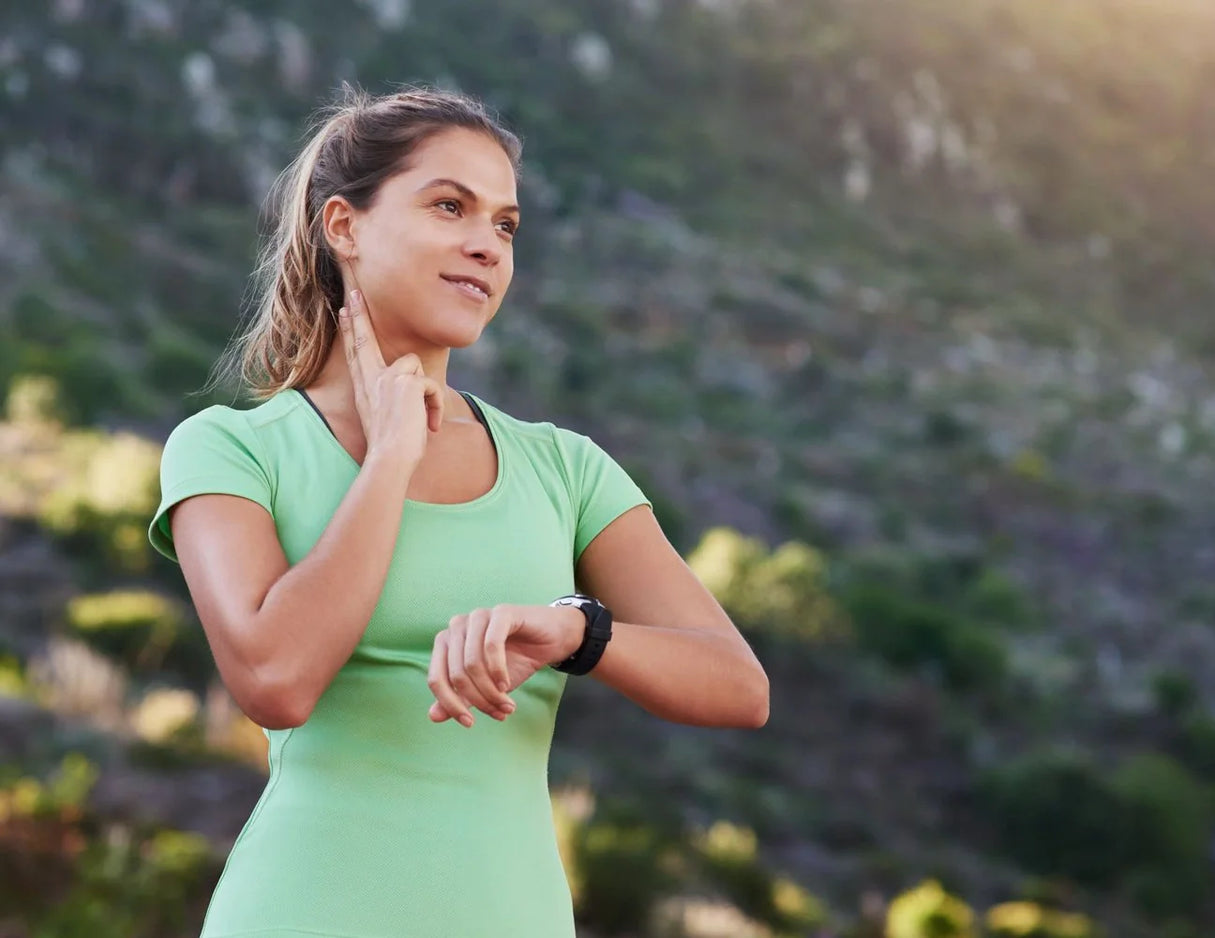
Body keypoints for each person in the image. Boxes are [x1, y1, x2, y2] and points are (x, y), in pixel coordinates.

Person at [146, 85, 770, 938]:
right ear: (345, 227)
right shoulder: (230, 450)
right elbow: (275, 681)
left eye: (506, 226)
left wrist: (579, 632)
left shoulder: (564, 468)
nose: (486, 245)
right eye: (450, 207)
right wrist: (392, 454)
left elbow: (738, 686)